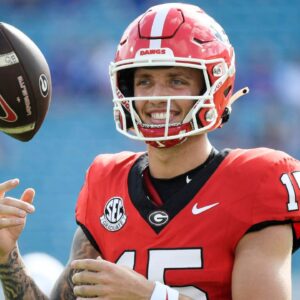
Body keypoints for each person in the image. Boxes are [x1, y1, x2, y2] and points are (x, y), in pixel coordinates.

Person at [0, 3, 300, 299]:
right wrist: (7, 257)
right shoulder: (106, 181)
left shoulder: (256, 181)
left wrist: (151, 295)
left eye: (176, 81)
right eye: (144, 81)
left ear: (215, 85)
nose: (157, 96)